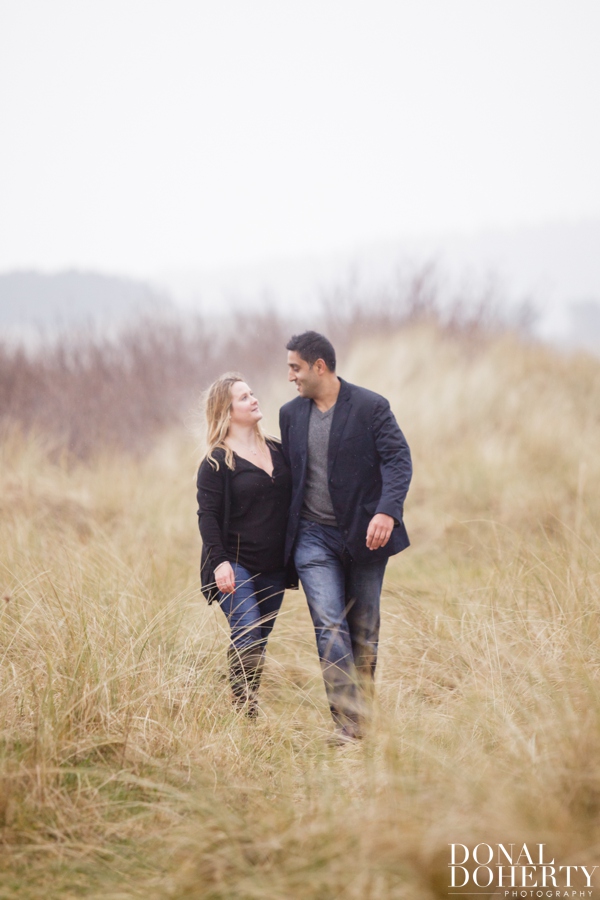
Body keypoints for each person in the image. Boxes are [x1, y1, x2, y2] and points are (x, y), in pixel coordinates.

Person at [279, 331, 412, 742]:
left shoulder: (371, 407)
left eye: (295, 368)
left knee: (363, 630)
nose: (290, 376)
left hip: (365, 537)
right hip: (312, 537)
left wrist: (387, 511)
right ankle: (349, 723)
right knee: (329, 625)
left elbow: (398, 460)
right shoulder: (289, 414)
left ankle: (364, 715)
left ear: (319, 366)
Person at [197, 372, 293, 717]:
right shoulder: (216, 462)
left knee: (257, 641)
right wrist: (220, 562)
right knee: (248, 633)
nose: (254, 400)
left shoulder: (279, 450)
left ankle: (246, 702)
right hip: (235, 565)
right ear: (226, 411)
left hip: (274, 567)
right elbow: (207, 516)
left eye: (252, 393)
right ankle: (244, 712)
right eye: (244, 397)